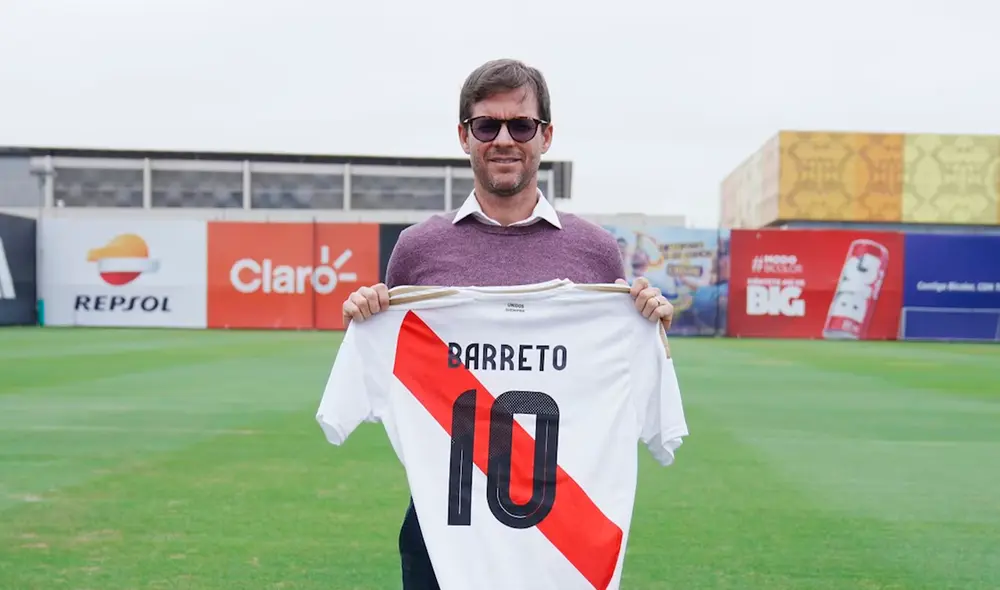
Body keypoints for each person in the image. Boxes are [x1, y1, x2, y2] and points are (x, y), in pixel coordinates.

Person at [340, 58, 675, 590]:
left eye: (520, 125)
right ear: (463, 136)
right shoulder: (418, 249)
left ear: (545, 136)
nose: (503, 140)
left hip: (559, 532)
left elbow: (612, 375)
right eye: (486, 126)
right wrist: (369, 317)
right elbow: (403, 370)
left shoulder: (594, 251)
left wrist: (650, 331)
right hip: (444, 530)